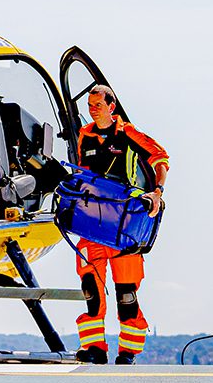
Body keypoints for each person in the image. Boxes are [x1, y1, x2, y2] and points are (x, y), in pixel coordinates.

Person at [72, 85, 168, 365]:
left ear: (111, 106)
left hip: (124, 225)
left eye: (98, 105)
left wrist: (156, 193)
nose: (93, 109)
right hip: (91, 223)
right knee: (91, 288)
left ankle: (128, 352)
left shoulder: (128, 134)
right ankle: (94, 348)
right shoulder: (85, 136)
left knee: (126, 293)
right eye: (90, 105)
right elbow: (83, 172)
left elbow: (160, 158)